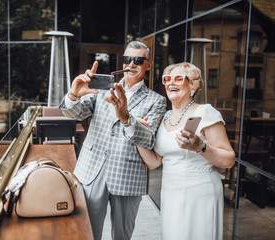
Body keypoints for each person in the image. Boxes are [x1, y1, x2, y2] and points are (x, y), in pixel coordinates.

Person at [59, 41, 167, 240]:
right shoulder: (102, 89)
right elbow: (73, 113)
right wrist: (73, 94)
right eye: (127, 59)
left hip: (128, 174)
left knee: (122, 236)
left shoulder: (156, 101)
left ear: (148, 65)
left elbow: (148, 139)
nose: (131, 64)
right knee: (88, 233)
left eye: (138, 60)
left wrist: (126, 118)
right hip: (92, 170)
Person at [136, 62, 235, 240]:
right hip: (170, 191)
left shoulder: (206, 112)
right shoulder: (164, 117)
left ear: (193, 85)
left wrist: (200, 147)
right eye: (167, 79)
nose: (171, 83)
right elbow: (154, 162)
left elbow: (229, 160)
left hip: (201, 192)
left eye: (178, 78)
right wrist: (137, 134)